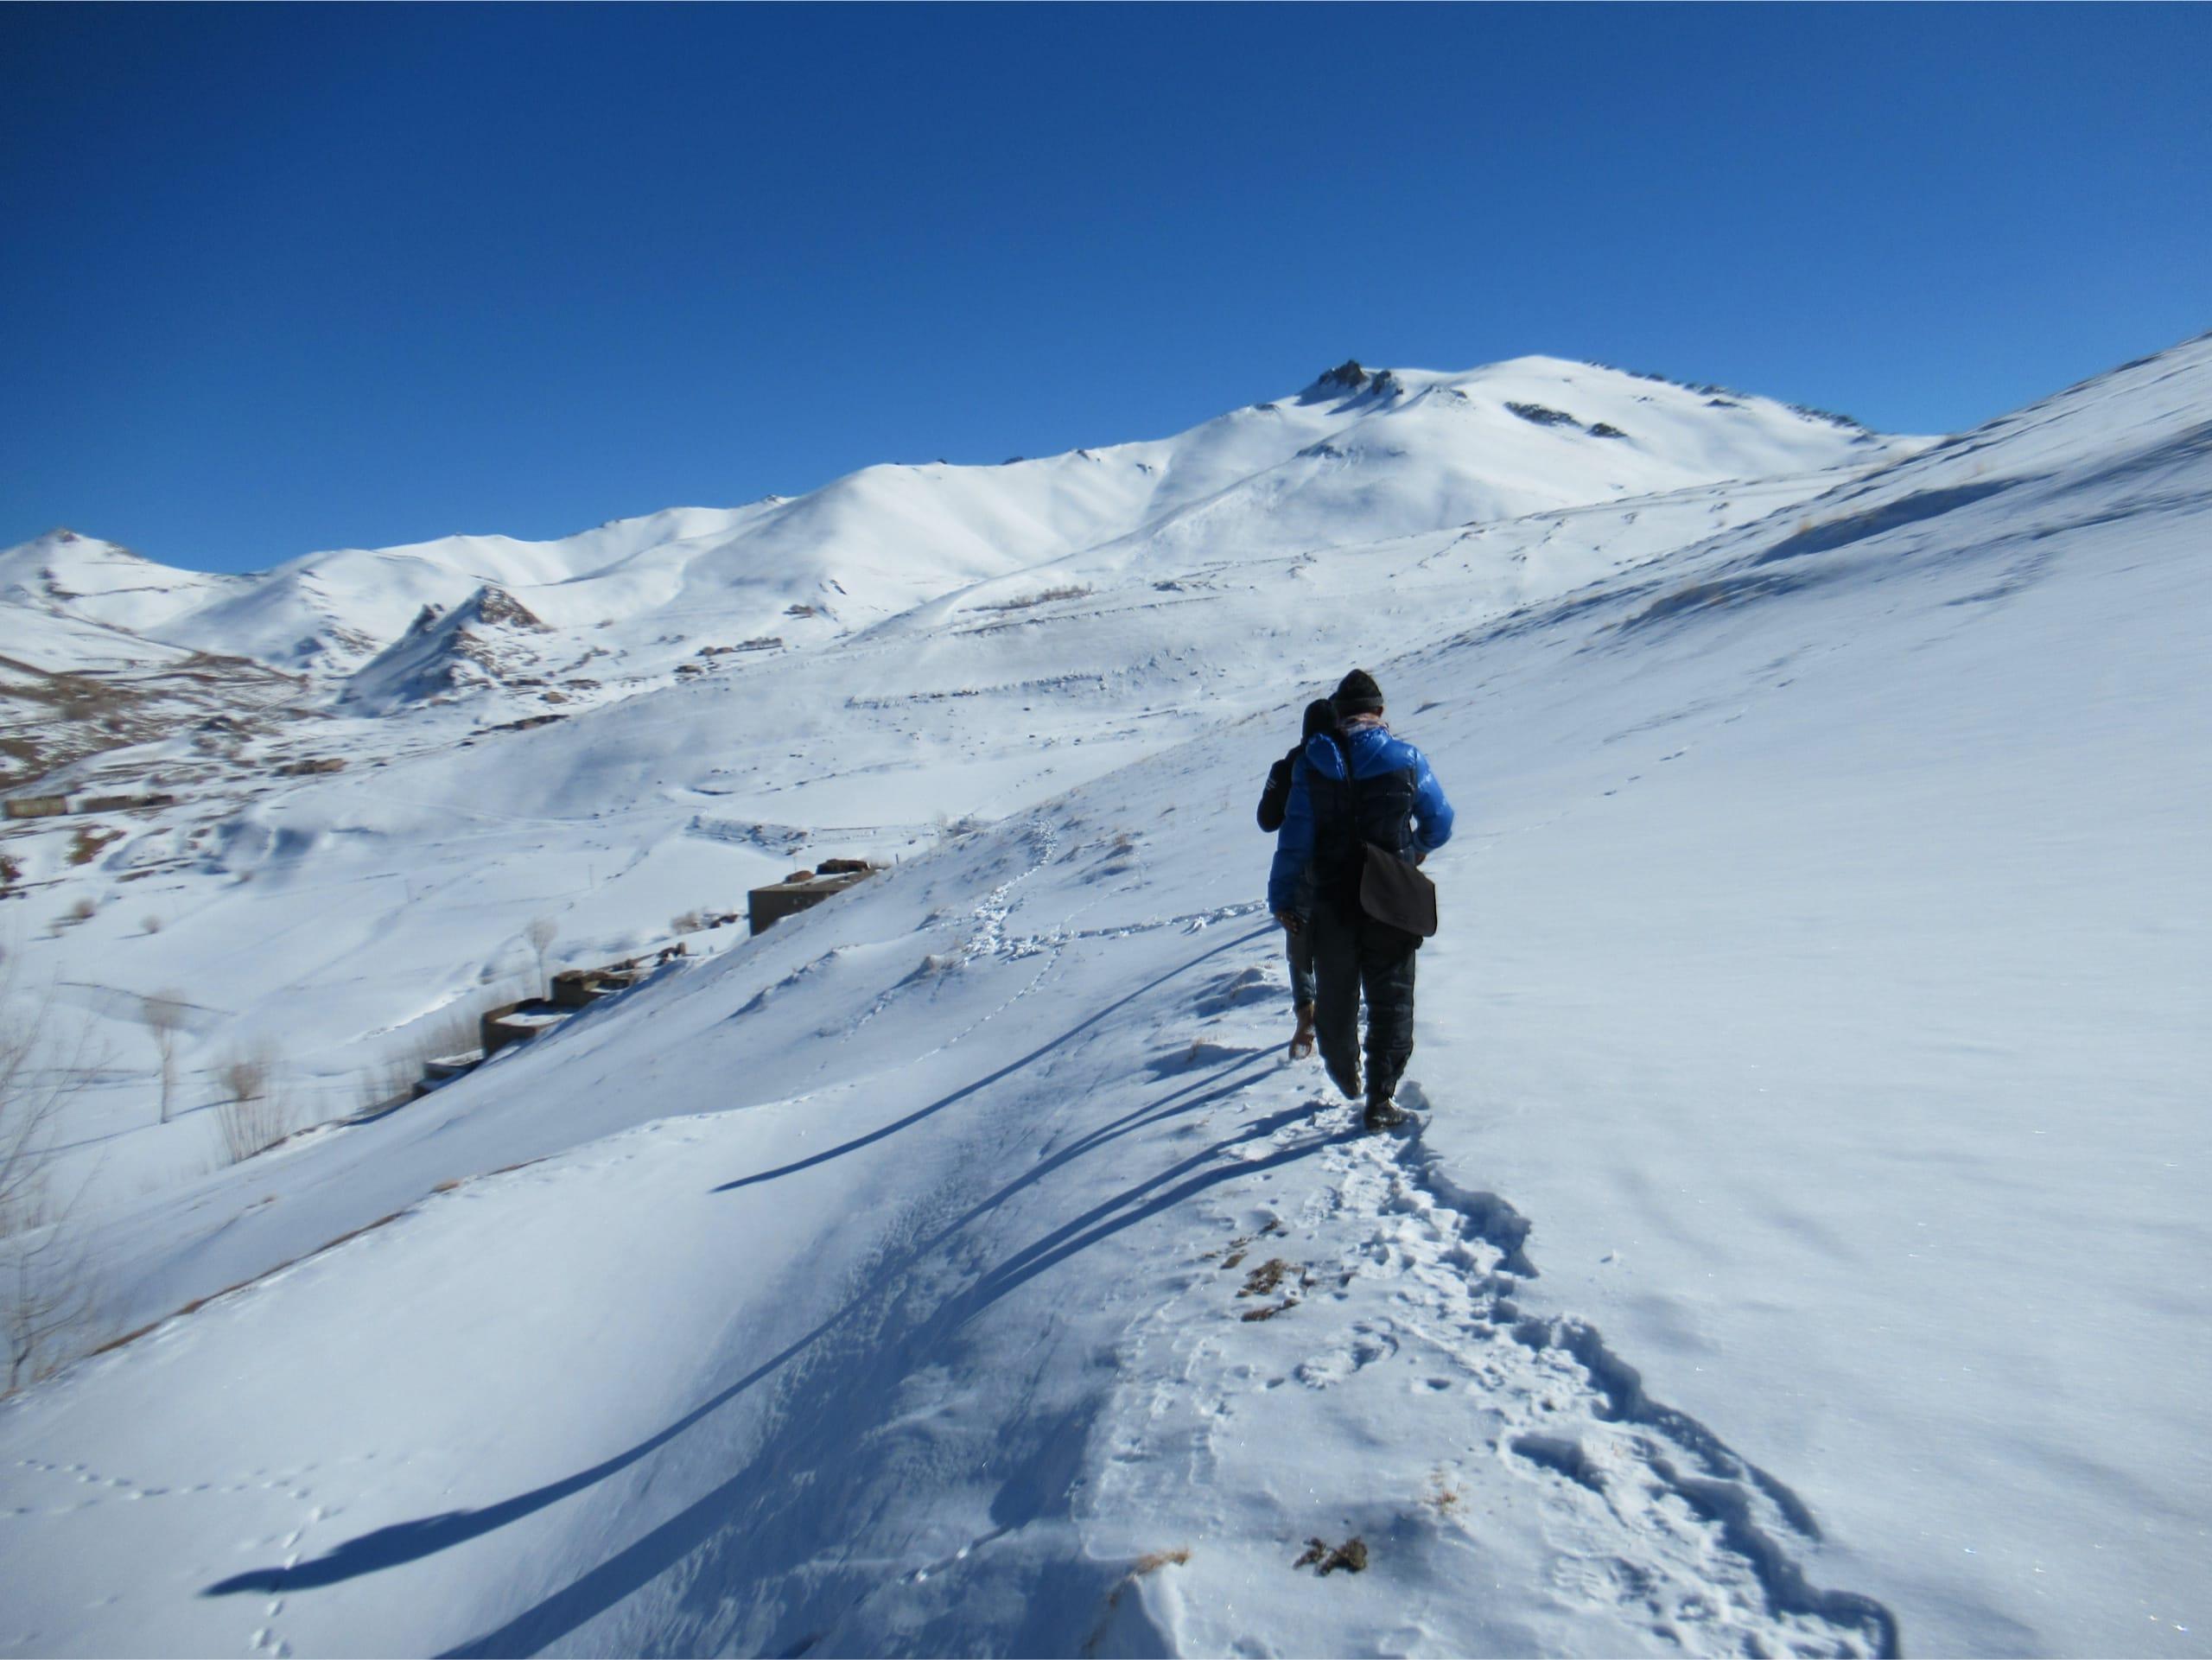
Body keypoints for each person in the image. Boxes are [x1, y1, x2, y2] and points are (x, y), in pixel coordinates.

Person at [1266, 669, 1454, 1130]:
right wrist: (1416, 849)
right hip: (1391, 898)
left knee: (1335, 997)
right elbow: (1440, 822)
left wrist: (1283, 896)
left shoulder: (1311, 765)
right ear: (1380, 712)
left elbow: (1293, 840)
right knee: (1392, 1001)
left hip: (1331, 900)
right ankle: (1380, 1099)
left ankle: (1343, 1071)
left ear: (1339, 716)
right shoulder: (1407, 759)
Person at [1257, 699, 1338, 1059]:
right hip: (1349, 862)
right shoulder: (1351, 757)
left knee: (1298, 932)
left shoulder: (1290, 765)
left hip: (1301, 867)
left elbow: (1267, 820)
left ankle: (1307, 1011)